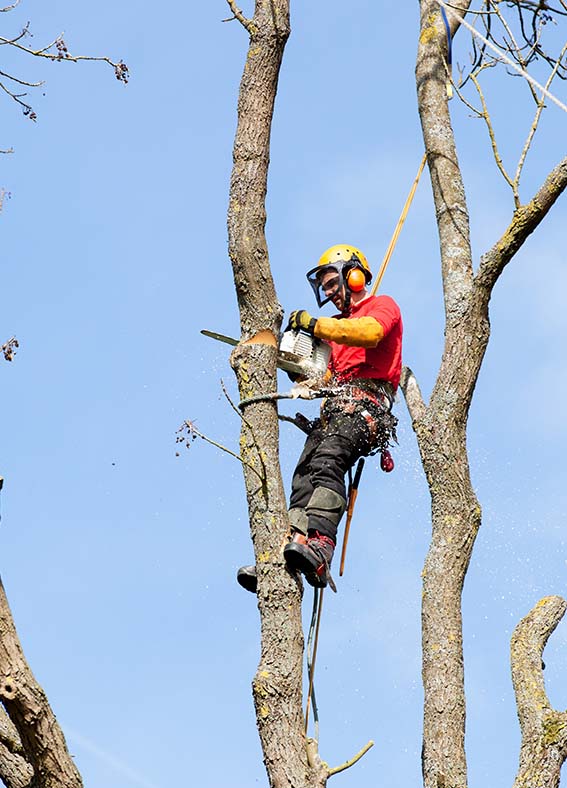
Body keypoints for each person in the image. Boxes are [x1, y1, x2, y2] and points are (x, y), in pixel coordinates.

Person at [237, 244, 402, 593]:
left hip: (366, 407)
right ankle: (290, 549)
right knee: (305, 474)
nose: (327, 292)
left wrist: (316, 325)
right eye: (324, 287)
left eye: (331, 283)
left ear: (353, 275)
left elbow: (370, 334)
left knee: (329, 461)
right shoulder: (335, 330)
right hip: (334, 410)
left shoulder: (380, 307)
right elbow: (324, 376)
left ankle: (321, 543)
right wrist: (300, 370)